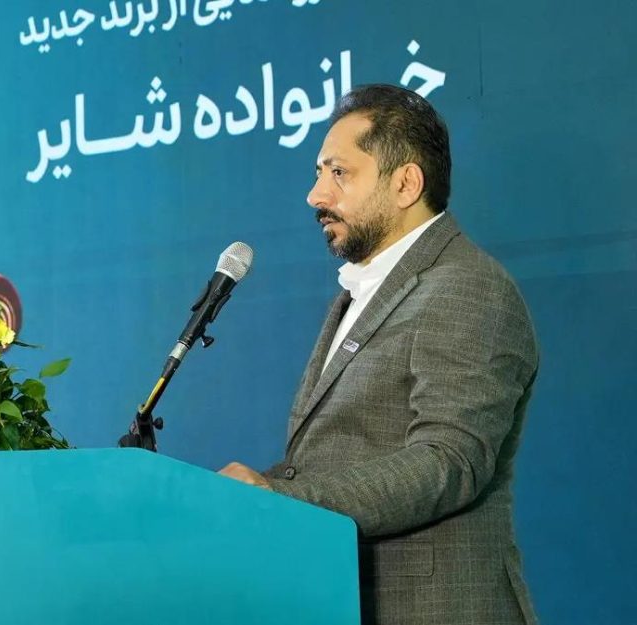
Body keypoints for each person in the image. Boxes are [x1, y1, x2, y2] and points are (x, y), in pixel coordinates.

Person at [219, 84, 539, 625]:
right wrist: (234, 498)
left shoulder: (467, 287)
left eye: (338, 173)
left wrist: (281, 499)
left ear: (406, 183)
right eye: (319, 173)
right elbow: (335, 459)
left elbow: (449, 461)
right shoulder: (361, 292)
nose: (316, 195)